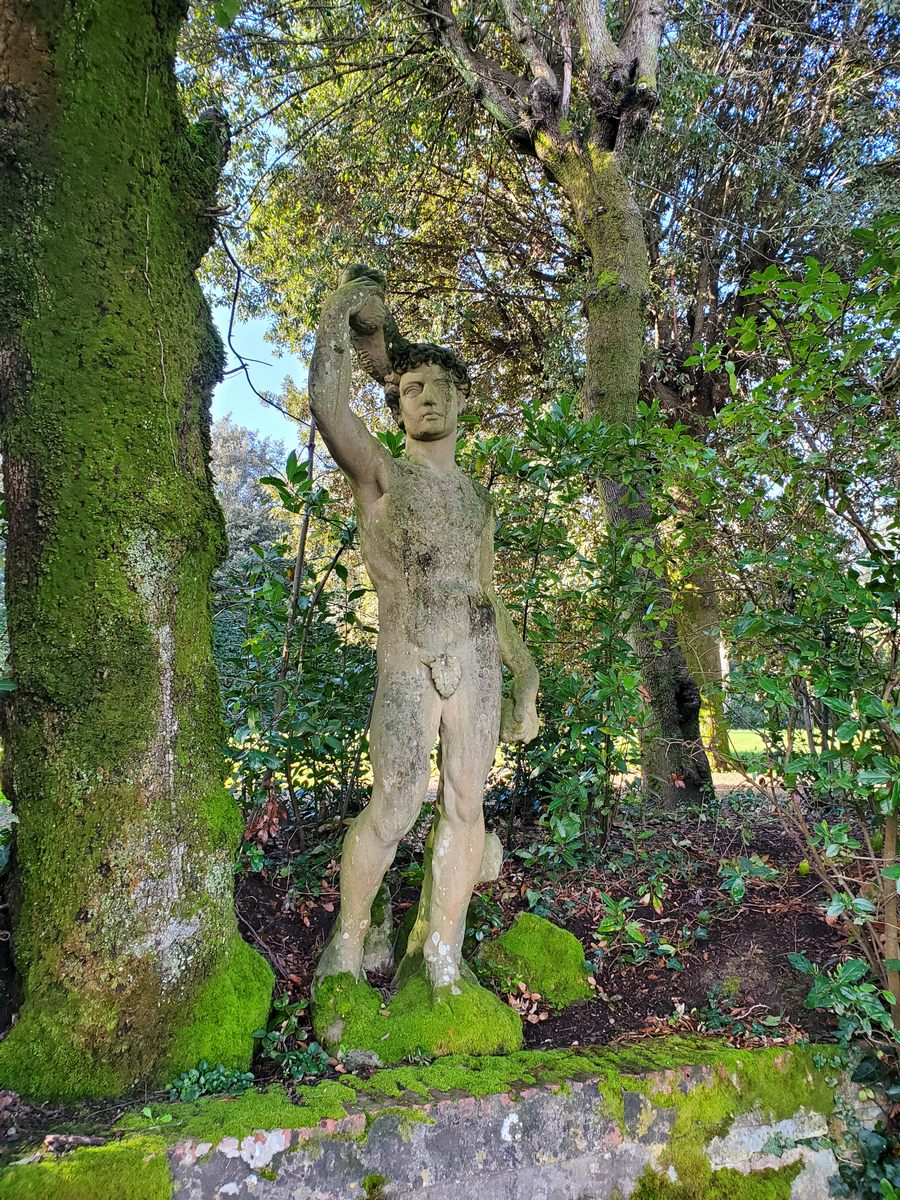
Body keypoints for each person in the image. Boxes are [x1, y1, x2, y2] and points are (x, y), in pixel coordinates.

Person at [310, 268, 539, 995]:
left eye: (440, 387)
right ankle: (348, 944)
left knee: (468, 806)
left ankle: (442, 956)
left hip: (475, 658)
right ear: (398, 404)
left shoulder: (477, 500)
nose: (427, 397)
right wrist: (341, 312)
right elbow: (327, 407)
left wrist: (526, 675)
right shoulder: (382, 474)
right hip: (410, 656)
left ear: (463, 400)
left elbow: (486, 592)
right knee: (396, 802)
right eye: (412, 388)